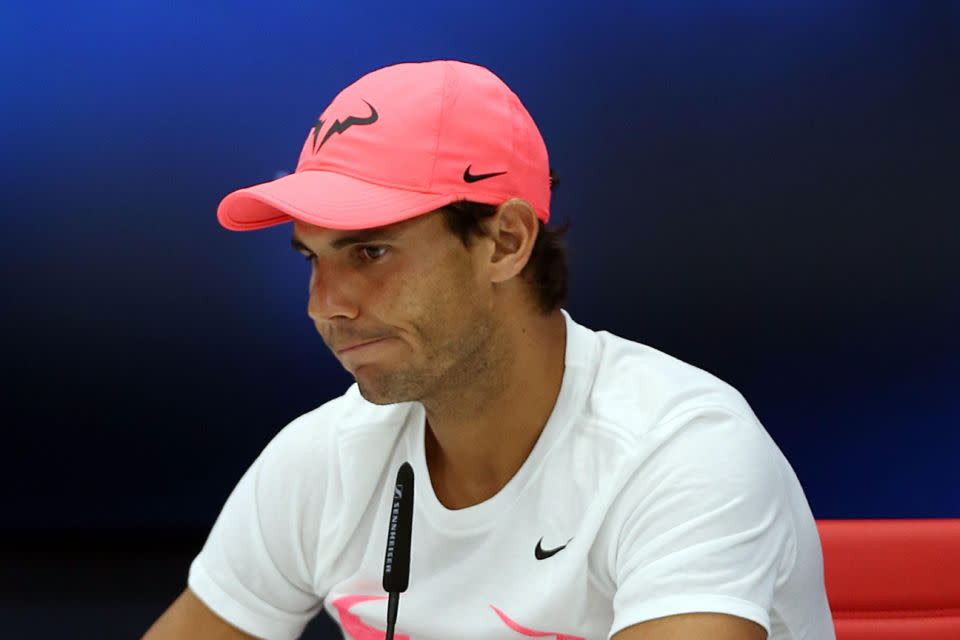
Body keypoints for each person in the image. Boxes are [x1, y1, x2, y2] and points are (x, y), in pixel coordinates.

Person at [143, 59, 835, 640]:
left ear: (505, 242)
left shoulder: (683, 453)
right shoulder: (323, 458)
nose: (326, 304)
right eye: (311, 258)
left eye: (371, 251)